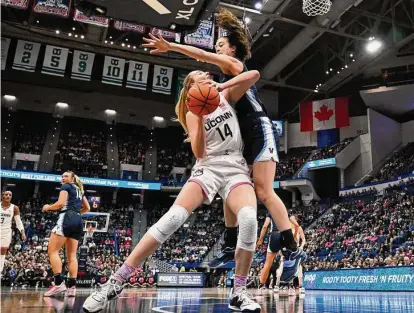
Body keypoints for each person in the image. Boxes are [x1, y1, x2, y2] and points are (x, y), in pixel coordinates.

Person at [142, 9, 305, 280]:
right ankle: (230, 244)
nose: (216, 50)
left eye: (220, 45)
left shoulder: (235, 66)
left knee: (264, 191)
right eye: (216, 46)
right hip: (245, 135)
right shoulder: (218, 84)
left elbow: (203, 56)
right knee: (233, 184)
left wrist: (171, 46)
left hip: (259, 127)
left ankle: (291, 246)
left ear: (232, 49)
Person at [83, 70, 262, 313]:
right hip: (207, 167)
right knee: (174, 217)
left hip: (235, 166)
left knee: (249, 220)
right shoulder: (192, 111)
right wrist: (199, 116)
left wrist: (220, 86)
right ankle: (116, 281)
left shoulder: (226, 95)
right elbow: (199, 152)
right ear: (191, 86)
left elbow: (254, 75)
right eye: (201, 73)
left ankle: (239, 292)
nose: (207, 72)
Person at [43, 171, 90, 297]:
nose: (63, 178)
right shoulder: (80, 190)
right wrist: (76, 214)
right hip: (78, 220)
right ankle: (72, 288)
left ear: (72, 178)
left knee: (53, 251)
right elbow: (87, 208)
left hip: (66, 218)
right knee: (72, 256)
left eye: (66, 176)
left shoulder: (66, 187)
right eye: (62, 176)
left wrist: (47, 207)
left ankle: (58, 284)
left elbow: (60, 204)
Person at [256, 212, 283, 291]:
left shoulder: (270, 212)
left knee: (268, 264)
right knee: (287, 261)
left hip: (274, 235)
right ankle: (290, 285)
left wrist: (260, 239)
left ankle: (261, 286)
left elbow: (265, 226)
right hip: (284, 235)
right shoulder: (283, 209)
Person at [0, 191, 26, 275]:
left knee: (3, 250)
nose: (8, 196)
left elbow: (18, 222)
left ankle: (0, 271)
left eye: (10, 195)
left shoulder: (14, 208)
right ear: (2, 196)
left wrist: (22, 232)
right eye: (6, 194)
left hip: (6, 231)